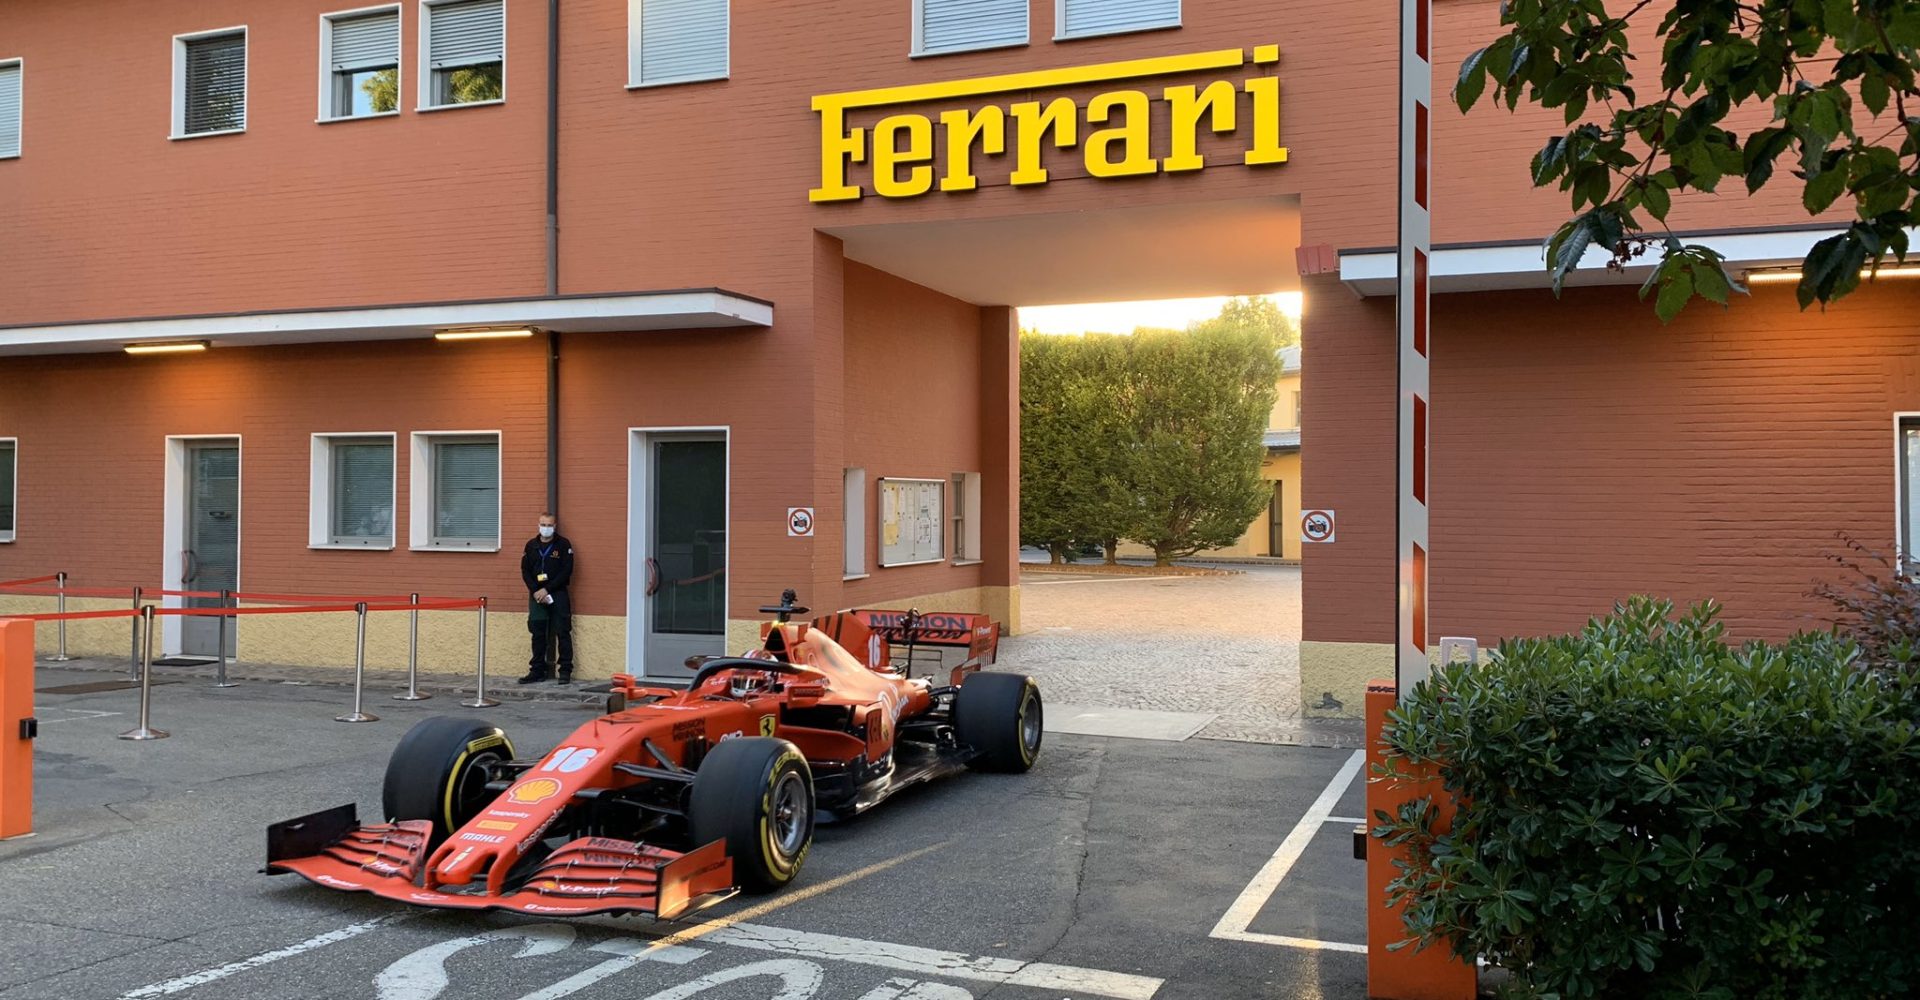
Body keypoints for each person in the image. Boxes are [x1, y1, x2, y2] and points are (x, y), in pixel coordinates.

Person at [519, 512, 575, 685]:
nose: (546, 528)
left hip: (557, 593)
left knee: (562, 631)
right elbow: (525, 570)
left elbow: (567, 570)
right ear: (538, 525)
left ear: (555, 526)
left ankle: (565, 670)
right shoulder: (531, 546)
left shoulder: (563, 545)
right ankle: (537, 670)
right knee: (537, 632)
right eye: (543, 525)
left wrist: (547, 589)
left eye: (549, 525)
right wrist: (536, 590)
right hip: (536, 594)